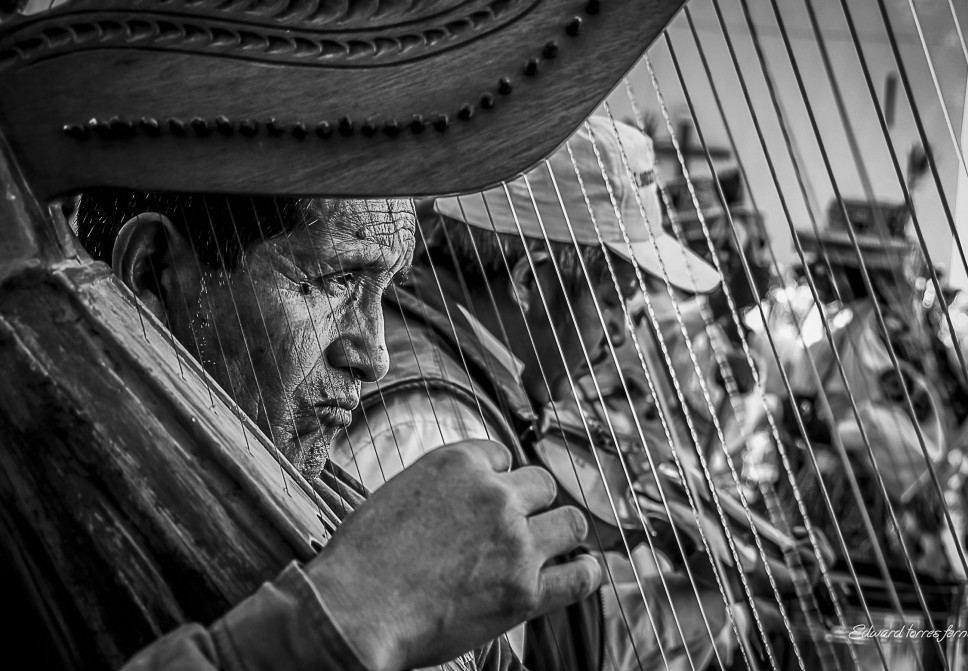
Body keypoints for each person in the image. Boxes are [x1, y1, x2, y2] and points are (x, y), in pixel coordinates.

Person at [72, 193, 602, 670]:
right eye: (337, 279)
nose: (375, 355)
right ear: (153, 272)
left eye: (384, 289)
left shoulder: (319, 484)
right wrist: (363, 608)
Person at [334, 117, 737, 671]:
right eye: (614, 298)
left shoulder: (452, 364)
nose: (621, 332)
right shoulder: (434, 431)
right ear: (532, 282)